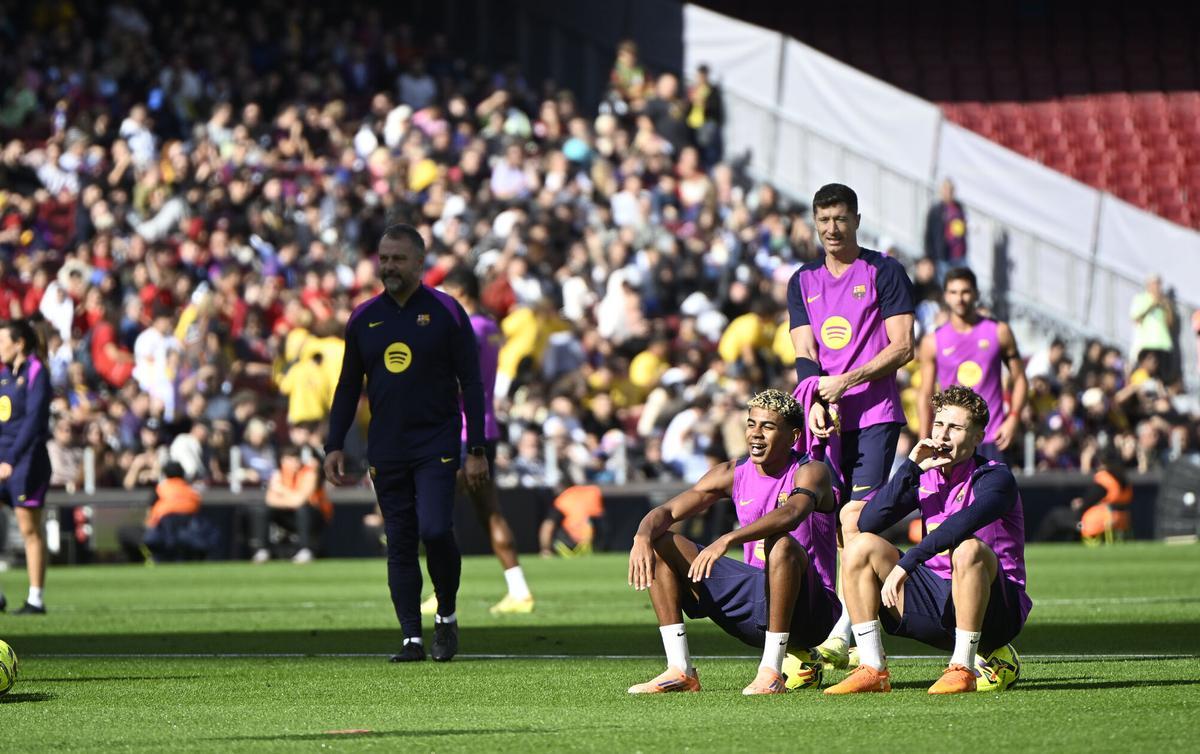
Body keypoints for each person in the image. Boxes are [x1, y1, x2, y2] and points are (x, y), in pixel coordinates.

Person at [324, 224, 488, 663]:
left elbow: (471, 383)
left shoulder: (447, 312)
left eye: (398, 258)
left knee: (435, 530)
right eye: (384, 258)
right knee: (399, 539)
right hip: (386, 446)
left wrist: (477, 448)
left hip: (437, 441)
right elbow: (346, 386)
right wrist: (333, 444)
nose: (389, 266)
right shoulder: (363, 318)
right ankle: (412, 638)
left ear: (419, 263)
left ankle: (447, 615)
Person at [626, 389, 840, 695]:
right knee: (661, 541)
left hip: (812, 613)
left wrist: (728, 538)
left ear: (793, 436)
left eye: (767, 427)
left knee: (780, 544)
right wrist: (642, 536)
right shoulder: (732, 472)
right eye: (751, 424)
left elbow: (792, 514)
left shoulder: (812, 471)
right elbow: (668, 511)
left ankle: (770, 672)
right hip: (757, 601)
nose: (755, 434)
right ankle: (680, 670)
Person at [825, 385, 1031, 695]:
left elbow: (960, 526)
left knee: (967, 549)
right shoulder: (927, 474)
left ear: (977, 438)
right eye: (939, 424)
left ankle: (963, 667)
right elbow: (868, 521)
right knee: (859, 545)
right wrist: (910, 466)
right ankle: (872, 668)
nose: (944, 435)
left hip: (998, 611)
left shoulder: (995, 478)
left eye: (956, 428)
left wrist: (906, 563)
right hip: (938, 601)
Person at [786, 183, 915, 666]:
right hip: (826, 420)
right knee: (837, 528)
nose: (831, 230)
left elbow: (903, 346)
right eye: (823, 221)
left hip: (875, 415)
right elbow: (805, 351)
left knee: (852, 519)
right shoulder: (802, 280)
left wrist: (846, 381)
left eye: (840, 219)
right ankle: (864, 620)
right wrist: (814, 399)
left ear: (857, 219)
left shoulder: (884, 271)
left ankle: (846, 632)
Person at [419, 266, 534, 615]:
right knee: (490, 513)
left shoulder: (468, 327)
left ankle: (443, 592)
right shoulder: (492, 328)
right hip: (485, 429)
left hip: (462, 432)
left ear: (459, 291)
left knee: (435, 513)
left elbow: (459, 379)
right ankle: (519, 591)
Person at [918, 267, 1028, 462]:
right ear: (946, 296)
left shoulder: (999, 332)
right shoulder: (932, 342)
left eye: (965, 292)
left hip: (992, 436)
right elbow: (925, 393)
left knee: (994, 492)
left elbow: (1019, 379)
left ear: (976, 294)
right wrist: (924, 437)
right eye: (953, 292)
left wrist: (1013, 418)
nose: (960, 298)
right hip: (951, 440)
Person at [0, 319, 52, 614]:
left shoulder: (36, 371)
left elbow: (33, 422)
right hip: (3, 460)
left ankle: (35, 598)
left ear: (19, 343)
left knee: (29, 528)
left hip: (26, 461)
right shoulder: (5, 376)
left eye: (2, 341)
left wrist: (11, 459)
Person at [249, 444, 332, 564]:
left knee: (302, 510)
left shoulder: (309, 472)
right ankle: (262, 550)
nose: (295, 462)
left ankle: (305, 550)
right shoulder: (278, 474)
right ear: (282, 460)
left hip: (314, 516)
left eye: (296, 458)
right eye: (290, 458)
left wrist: (282, 490)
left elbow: (300, 501)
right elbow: (270, 500)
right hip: (289, 514)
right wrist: (290, 499)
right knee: (262, 509)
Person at [1129, 275, 1176, 381]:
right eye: (1155, 284)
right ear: (1149, 285)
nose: (1157, 287)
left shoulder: (1165, 301)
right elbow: (1136, 318)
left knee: (1162, 376)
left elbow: (1170, 323)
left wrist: (1167, 306)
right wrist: (1152, 305)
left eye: (1159, 284)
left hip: (1163, 344)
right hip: (1147, 343)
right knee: (1144, 375)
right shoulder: (1141, 298)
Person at [924, 178, 968, 282]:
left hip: (959, 254)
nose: (948, 193)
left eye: (950, 190)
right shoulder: (936, 210)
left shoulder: (959, 207)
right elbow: (929, 233)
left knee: (961, 282)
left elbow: (961, 228)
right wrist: (929, 255)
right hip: (943, 255)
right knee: (945, 283)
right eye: (945, 190)